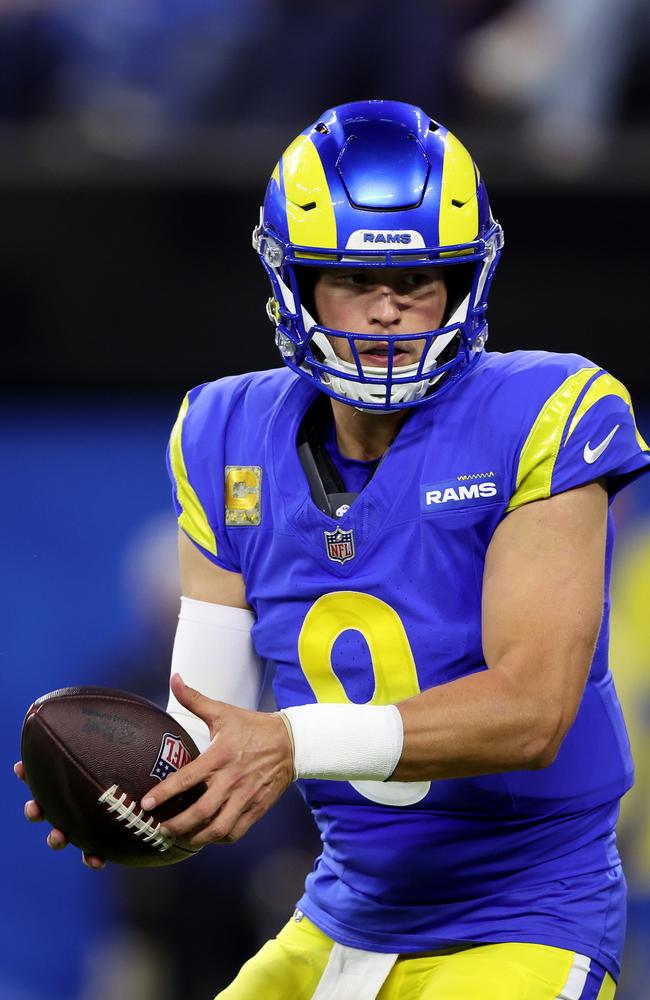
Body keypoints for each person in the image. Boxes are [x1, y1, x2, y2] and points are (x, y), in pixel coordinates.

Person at [16, 99, 650, 999]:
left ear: (467, 280)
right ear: (295, 280)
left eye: (422, 279)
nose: (389, 312)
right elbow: (214, 730)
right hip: (342, 914)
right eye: (355, 278)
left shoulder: (549, 412)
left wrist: (290, 739)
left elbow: (533, 711)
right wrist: (146, 801)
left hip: (521, 918)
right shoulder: (221, 432)